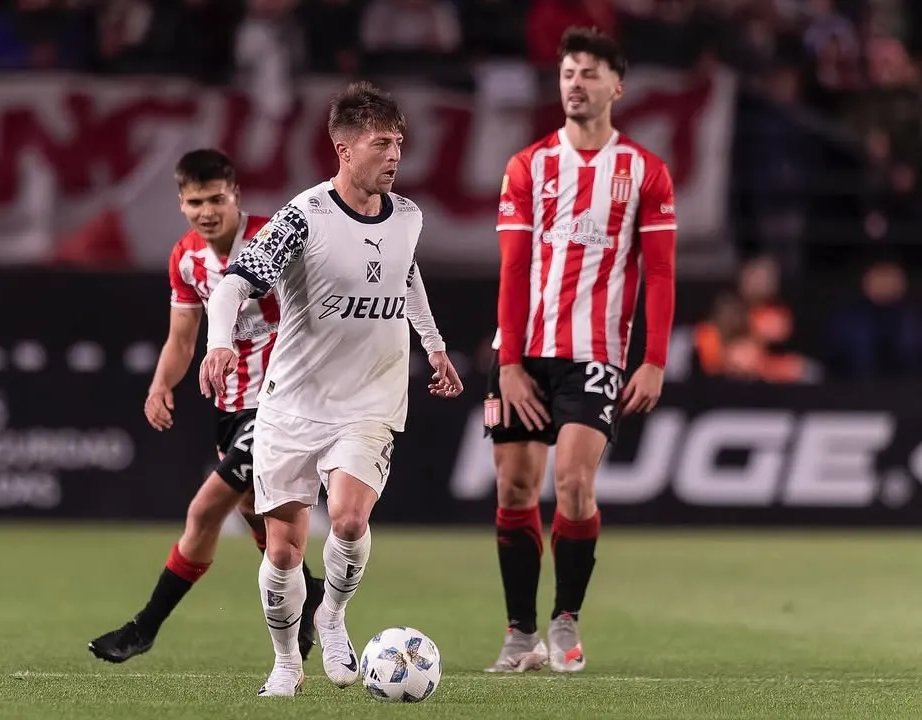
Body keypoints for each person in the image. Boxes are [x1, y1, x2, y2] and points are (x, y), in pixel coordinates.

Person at [198, 81, 463, 698]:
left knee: (346, 519)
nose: (395, 153)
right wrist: (218, 341)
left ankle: (334, 615)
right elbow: (236, 282)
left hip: (369, 401)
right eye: (380, 143)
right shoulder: (303, 218)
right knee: (285, 553)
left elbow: (407, 273)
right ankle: (287, 662)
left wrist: (435, 344)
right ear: (344, 150)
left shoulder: (408, 216)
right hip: (292, 404)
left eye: (398, 141)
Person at [484, 27, 677, 674]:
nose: (575, 83)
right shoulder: (528, 167)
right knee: (514, 488)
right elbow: (511, 271)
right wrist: (509, 363)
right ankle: (519, 634)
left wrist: (653, 359)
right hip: (523, 352)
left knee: (572, 481)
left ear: (616, 87)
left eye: (590, 73)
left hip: (595, 354)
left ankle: (565, 619)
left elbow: (662, 273)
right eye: (568, 72)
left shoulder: (645, 173)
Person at [88, 149, 325, 665]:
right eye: (196, 202)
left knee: (204, 508)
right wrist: (159, 385)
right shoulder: (186, 257)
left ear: (235, 193)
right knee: (258, 515)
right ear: (181, 202)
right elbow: (181, 338)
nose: (207, 211)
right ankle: (314, 600)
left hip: (285, 400)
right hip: (232, 406)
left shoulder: (273, 239)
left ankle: (144, 627)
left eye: (217, 198)